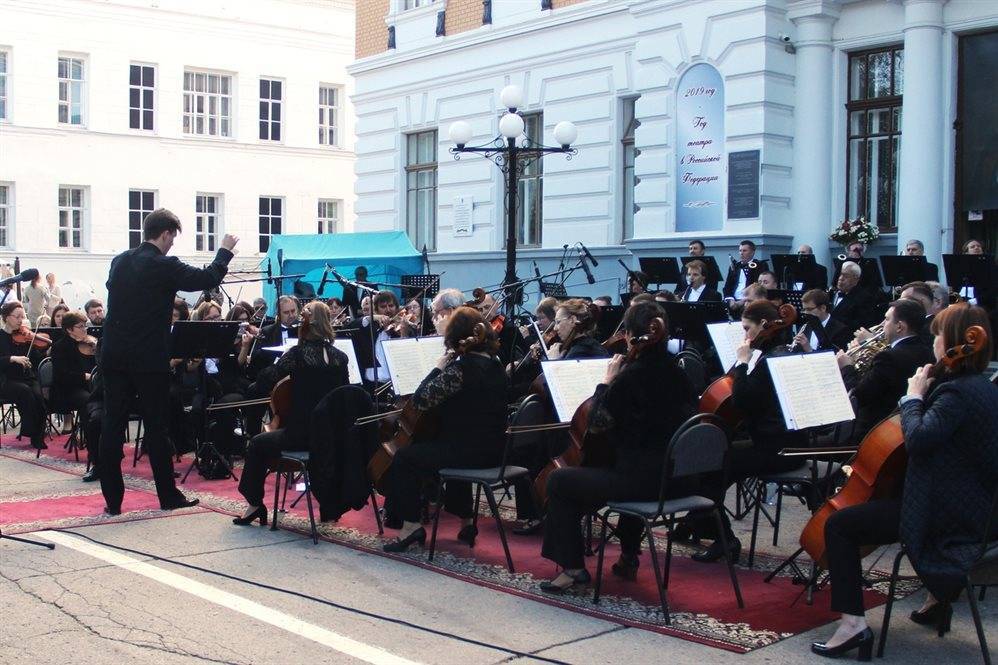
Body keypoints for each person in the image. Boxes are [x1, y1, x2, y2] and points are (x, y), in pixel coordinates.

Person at [811, 304, 998, 659]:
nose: (934, 343)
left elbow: (919, 439)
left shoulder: (955, 392)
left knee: (840, 526)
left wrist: (913, 398)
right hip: (980, 509)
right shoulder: (984, 386)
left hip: (944, 516)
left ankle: (852, 626)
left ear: (954, 341)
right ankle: (938, 598)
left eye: (938, 335)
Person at [538, 301, 696, 591]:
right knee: (612, 465)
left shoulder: (630, 378)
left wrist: (605, 384)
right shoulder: (680, 373)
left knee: (560, 480)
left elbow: (597, 423)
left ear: (631, 334)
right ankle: (627, 556)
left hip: (642, 483)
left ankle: (572, 569)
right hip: (676, 479)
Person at [98, 208, 237, 515]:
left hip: (114, 354)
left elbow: (119, 293)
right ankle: (167, 496)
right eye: (173, 237)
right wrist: (224, 251)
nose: (173, 244)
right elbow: (207, 278)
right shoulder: (164, 265)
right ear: (165, 234)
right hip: (148, 358)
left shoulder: (119, 261)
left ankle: (113, 501)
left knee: (113, 424)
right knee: (157, 428)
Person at [381, 307, 508, 552]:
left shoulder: (459, 371)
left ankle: (410, 526)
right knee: (449, 439)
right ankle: (467, 521)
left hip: (469, 455)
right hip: (496, 451)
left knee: (405, 458)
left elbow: (420, 400)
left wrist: (438, 367)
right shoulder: (497, 366)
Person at [692, 300, 806, 563]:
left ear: (764, 326)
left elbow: (743, 400)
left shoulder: (770, 360)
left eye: (747, 328)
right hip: (791, 442)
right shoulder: (783, 351)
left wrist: (743, 363)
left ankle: (724, 539)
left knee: (709, 468)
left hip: (776, 449)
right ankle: (699, 523)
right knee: (718, 465)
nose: (744, 335)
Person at [233, 301, 350, 526]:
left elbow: (265, 380)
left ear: (305, 324)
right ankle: (327, 507)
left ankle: (255, 504)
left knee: (257, 444)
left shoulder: (296, 355)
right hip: (330, 436)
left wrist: (259, 370)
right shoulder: (340, 358)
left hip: (303, 435)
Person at [837, 299, 934, 444]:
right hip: (894, 428)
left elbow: (859, 395)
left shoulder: (888, 357)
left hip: (868, 433)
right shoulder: (927, 352)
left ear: (900, 326)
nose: (882, 325)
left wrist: (847, 367)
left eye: (887, 319)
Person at [0, 301, 47, 449]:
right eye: (17, 316)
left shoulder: (25, 336)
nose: (21, 320)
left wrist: (47, 352)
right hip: (6, 380)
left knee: (39, 396)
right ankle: (32, 433)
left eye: (23, 316)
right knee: (25, 392)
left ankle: (37, 435)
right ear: (7, 317)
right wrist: (12, 358)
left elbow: (36, 357)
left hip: (26, 377)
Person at [49, 311, 97, 437]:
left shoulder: (89, 344)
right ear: (70, 329)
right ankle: (91, 439)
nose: (85, 329)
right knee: (88, 400)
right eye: (81, 326)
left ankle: (107, 439)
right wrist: (85, 376)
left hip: (89, 385)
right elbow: (62, 376)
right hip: (67, 390)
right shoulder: (60, 347)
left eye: (85, 325)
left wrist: (97, 349)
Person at [828, 261, 877, 334]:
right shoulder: (831, 293)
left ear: (856, 280)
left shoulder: (864, 298)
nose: (841, 278)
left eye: (846, 276)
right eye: (840, 274)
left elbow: (861, 325)